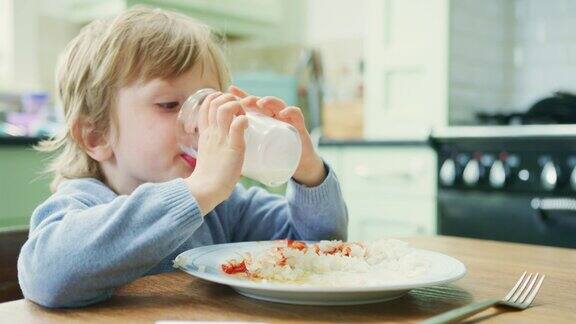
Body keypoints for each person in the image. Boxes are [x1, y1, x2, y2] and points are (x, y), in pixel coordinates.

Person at [17, 6, 348, 308]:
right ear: (96, 135)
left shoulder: (224, 208)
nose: (195, 123)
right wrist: (198, 191)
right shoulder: (83, 203)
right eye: (169, 105)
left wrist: (307, 172)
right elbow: (48, 276)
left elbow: (319, 246)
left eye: (207, 104)